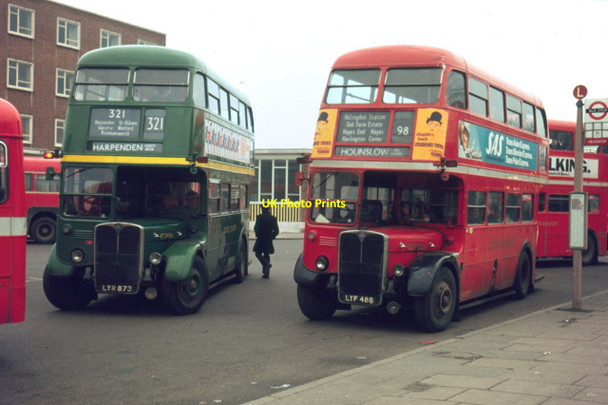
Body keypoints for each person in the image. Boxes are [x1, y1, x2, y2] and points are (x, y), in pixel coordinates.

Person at [253, 206, 279, 279]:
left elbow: (256, 228)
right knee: (266, 254)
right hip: (269, 239)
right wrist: (272, 236)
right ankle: (266, 273)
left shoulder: (259, 217)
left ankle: (266, 264)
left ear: (263, 209)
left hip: (261, 238)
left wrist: (257, 235)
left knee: (257, 253)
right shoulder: (273, 218)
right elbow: (276, 231)